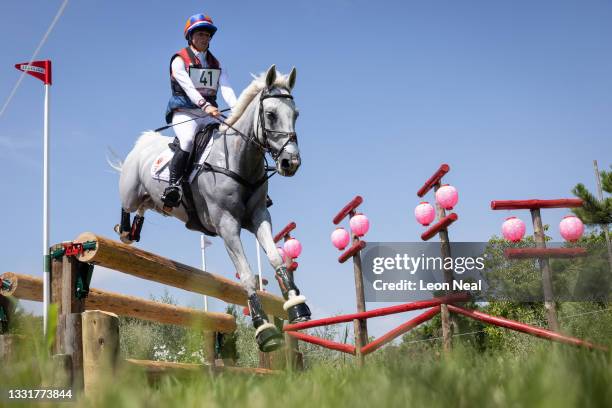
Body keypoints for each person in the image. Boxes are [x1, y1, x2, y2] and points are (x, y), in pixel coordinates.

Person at [162, 13, 238, 208]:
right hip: (184, 113)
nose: (204, 38)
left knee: (236, 135)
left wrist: (238, 110)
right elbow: (189, 88)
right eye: (200, 35)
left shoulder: (217, 64)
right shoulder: (179, 60)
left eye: (207, 35)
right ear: (190, 37)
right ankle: (173, 185)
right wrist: (206, 106)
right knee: (187, 140)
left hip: (208, 114)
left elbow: (227, 89)